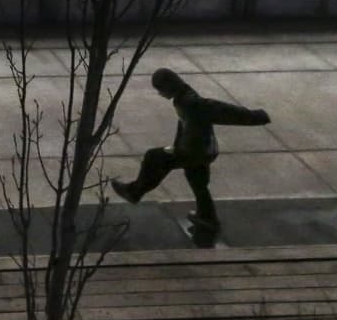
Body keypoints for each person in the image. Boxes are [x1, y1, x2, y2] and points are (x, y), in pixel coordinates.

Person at [109, 67, 271, 234]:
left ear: (167, 87)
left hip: (194, 151)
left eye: (159, 90)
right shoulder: (183, 98)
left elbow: (223, 110)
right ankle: (208, 217)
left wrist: (256, 116)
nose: (159, 94)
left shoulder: (191, 102)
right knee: (197, 181)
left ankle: (134, 192)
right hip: (202, 150)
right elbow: (184, 125)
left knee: (154, 157)